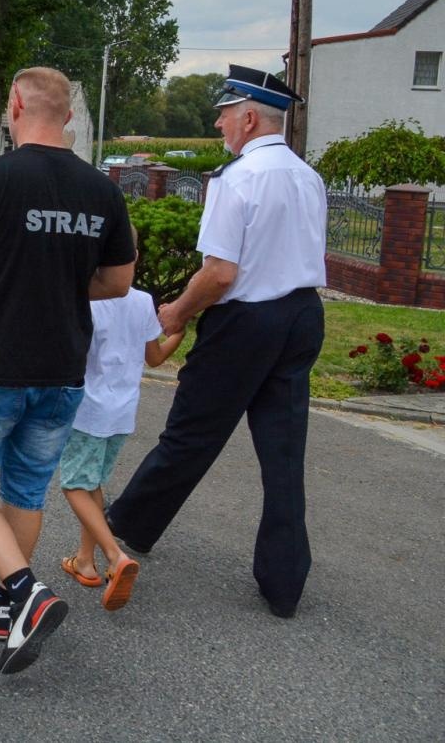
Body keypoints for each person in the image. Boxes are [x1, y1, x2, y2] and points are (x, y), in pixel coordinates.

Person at [0, 66, 135, 675]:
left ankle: (24, 590)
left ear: (15, 104)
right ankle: (5, 601)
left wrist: (0, 276)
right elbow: (119, 280)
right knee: (24, 487)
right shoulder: (102, 190)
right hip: (63, 366)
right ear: (68, 113)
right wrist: (59, 284)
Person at [106, 65, 326, 619]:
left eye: (225, 114)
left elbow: (221, 273)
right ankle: (284, 584)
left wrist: (176, 310)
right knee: (283, 450)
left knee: (191, 434)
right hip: (302, 315)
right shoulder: (307, 176)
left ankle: (128, 526)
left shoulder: (238, 179)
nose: (219, 123)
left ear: (249, 118)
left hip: (246, 322)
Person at [59, 271, 184, 611]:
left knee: (73, 485)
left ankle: (115, 557)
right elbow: (155, 358)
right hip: (123, 412)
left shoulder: (86, 300)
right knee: (92, 482)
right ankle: (85, 561)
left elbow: (69, 354)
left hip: (88, 410)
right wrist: (179, 333)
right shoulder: (143, 301)